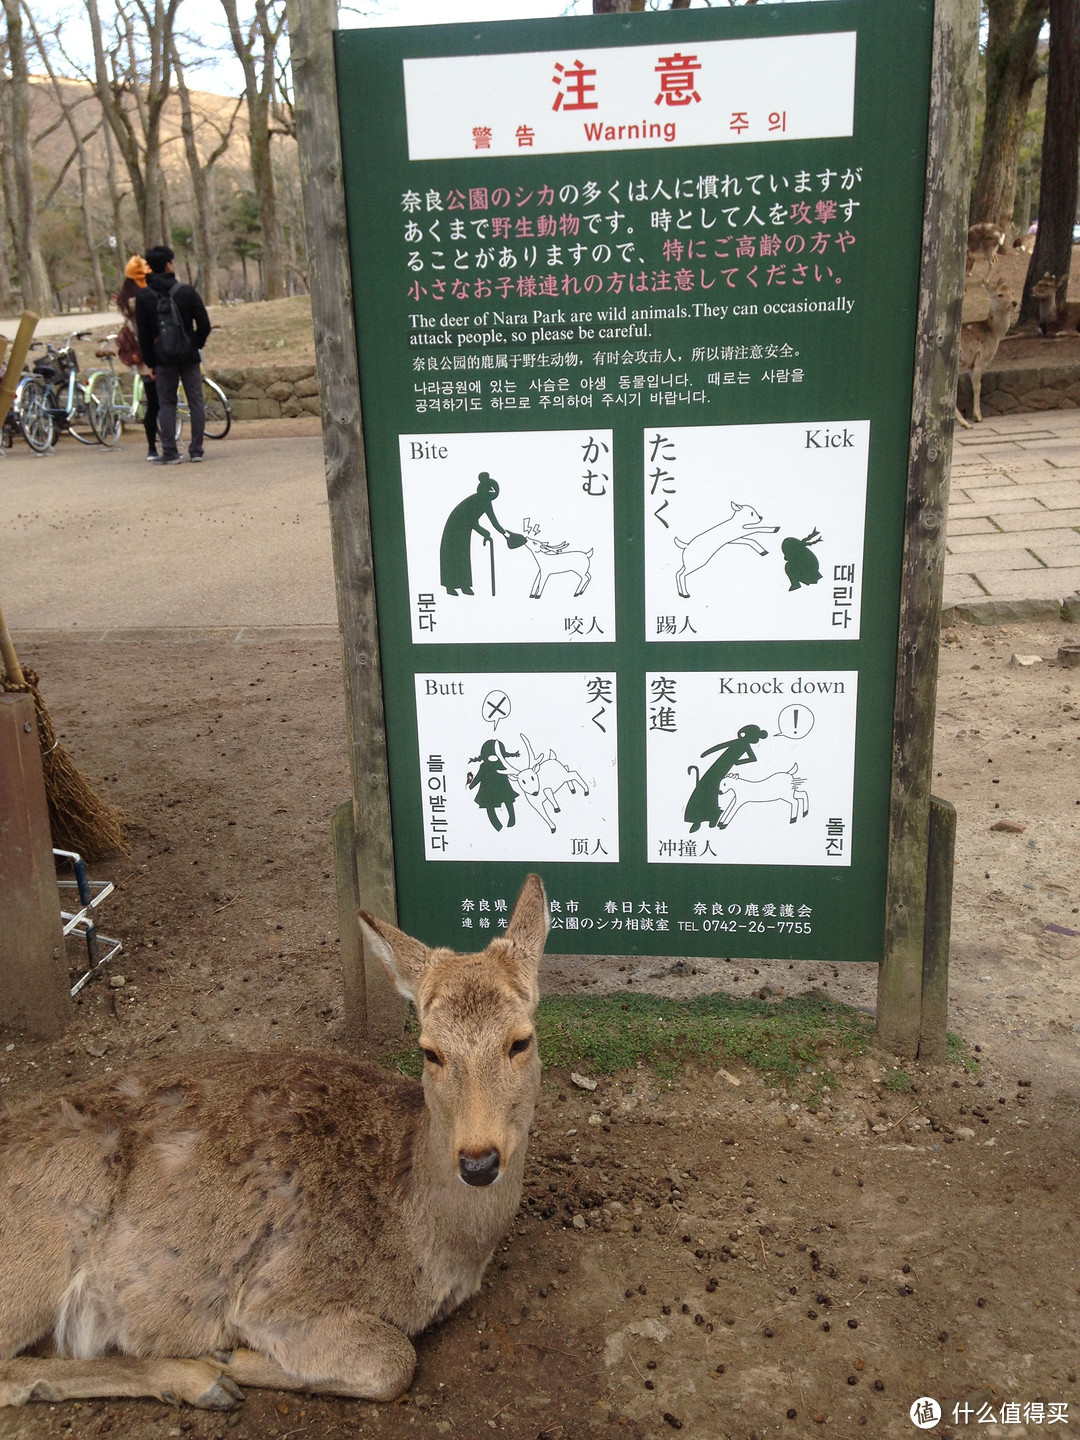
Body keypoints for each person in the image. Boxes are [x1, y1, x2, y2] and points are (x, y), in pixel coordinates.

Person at [134, 244, 211, 465]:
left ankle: (170, 451)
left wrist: (151, 361)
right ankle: (196, 450)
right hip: (188, 356)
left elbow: (144, 334)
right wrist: (195, 343)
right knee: (195, 400)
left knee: (166, 403)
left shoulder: (144, 296)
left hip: (162, 358)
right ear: (168, 264)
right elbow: (204, 324)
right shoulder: (186, 292)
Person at [117, 255, 161, 461]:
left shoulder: (126, 299)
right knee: (157, 403)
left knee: (152, 403)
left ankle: (152, 445)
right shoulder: (145, 296)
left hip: (141, 357)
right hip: (151, 355)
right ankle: (154, 445)